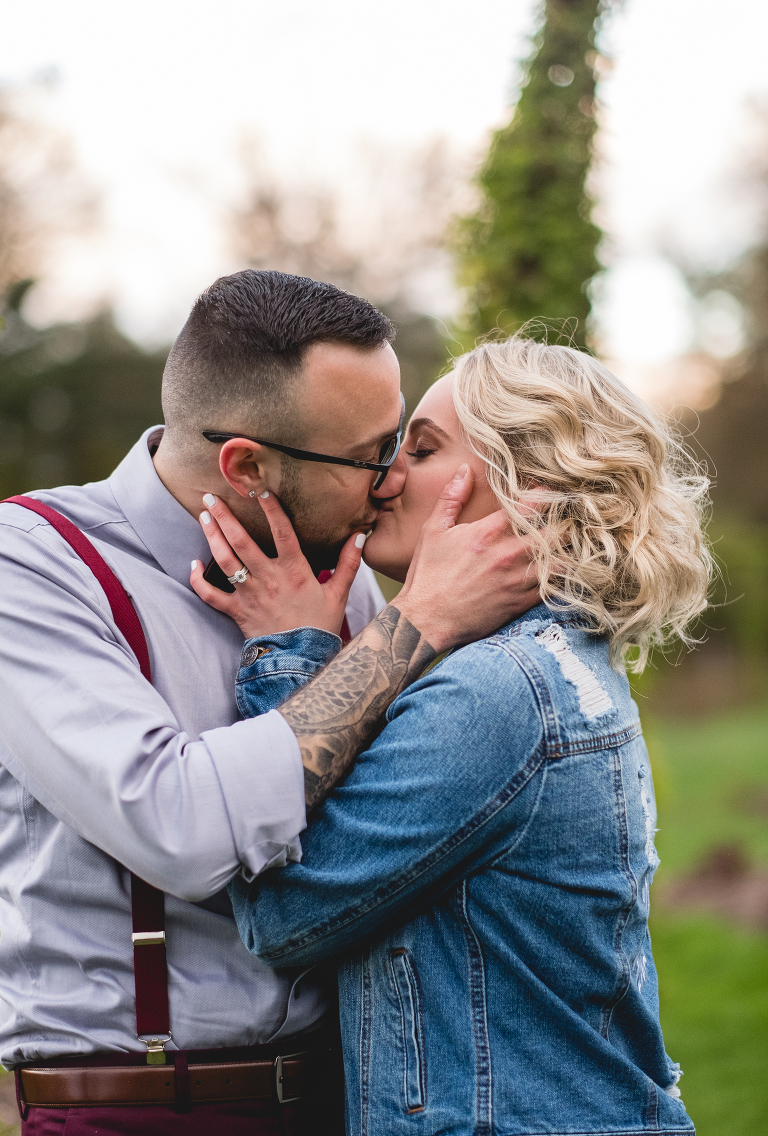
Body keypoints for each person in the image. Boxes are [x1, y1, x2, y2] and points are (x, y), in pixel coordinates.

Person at [0, 271, 541, 1136]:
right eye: (371, 455)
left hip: (361, 1096)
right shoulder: (33, 566)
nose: (390, 482)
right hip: (144, 1110)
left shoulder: (348, 573)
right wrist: (414, 625)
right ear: (247, 465)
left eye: (400, 440)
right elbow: (178, 824)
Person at [197, 337, 710, 1136]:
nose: (387, 477)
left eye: (424, 448)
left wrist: (289, 654)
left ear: (526, 486)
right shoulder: (558, 660)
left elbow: (283, 911)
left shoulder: (497, 691)